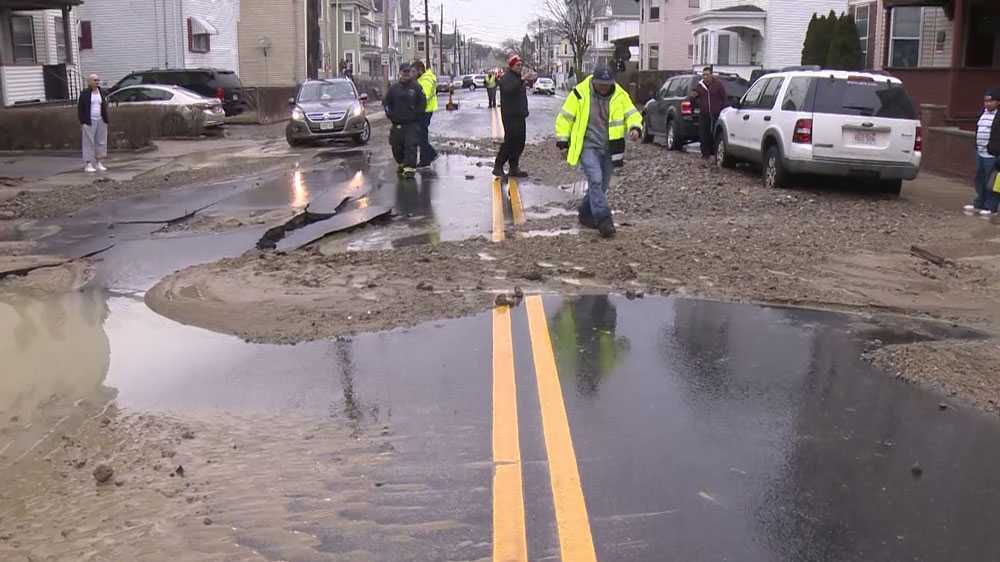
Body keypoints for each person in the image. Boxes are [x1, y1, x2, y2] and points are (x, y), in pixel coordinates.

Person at [554, 65, 642, 238]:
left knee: (602, 185)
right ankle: (603, 219)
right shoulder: (580, 93)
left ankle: (586, 212)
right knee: (595, 179)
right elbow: (565, 118)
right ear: (594, 80)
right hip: (588, 146)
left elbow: (632, 113)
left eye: (607, 84)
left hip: (611, 147)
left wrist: (635, 128)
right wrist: (563, 141)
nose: (604, 87)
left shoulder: (620, 94)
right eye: (601, 83)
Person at [493, 54, 535, 178]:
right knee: (510, 142)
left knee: (520, 143)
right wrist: (522, 80)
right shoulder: (507, 78)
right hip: (510, 116)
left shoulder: (517, 78)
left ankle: (514, 167)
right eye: (518, 65)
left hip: (520, 115)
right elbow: (509, 89)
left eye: (521, 65)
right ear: (511, 66)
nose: (520, 67)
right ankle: (498, 165)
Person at [383, 64, 426, 178]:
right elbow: (386, 103)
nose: (406, 74)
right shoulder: (393, 89)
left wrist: (417, 114)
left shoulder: (416, 87)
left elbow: (422, 103)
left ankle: (410, 169)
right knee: (396, 146)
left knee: (410, 146)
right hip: (397, 123)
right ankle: (402, 164)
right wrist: (390, 115)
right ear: (400, 72)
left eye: (408, 72)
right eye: (404, 72)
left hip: (411, 124)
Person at [967, 88, 1000, 217]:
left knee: (991, 181)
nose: (987, 103)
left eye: (990, 101)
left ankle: (991, 207)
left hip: (993, 154)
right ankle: (979, 203)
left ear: (998, 102)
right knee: (980, 179)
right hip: (980, 152)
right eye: (986, 101)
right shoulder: (983, 113)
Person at [689, 66, 727, 160]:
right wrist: (693, 98)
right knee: (703, 134)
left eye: (707, 75)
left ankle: (714, 152)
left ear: (711, 75)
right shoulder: (700, 85)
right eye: (704, 75)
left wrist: (722, 109)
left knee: (713, 134)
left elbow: (724, 98)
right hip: (704, 113)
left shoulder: (718, 84)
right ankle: (705, 154)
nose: (705, 77)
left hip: (715, 114)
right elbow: (693, 96)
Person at [77, 74, 109, 173]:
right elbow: (80, 109)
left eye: (98, 80)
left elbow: (104, 106)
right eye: (95, 80)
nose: (97, 82)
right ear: (90, 82)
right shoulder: (85, 94)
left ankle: (99, 162)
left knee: (100, 141)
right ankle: (88, 164)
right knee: (88, 142)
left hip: (100, 120)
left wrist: (105, 119)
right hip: (89, 120)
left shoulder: (101, 92)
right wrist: (83, 121)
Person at [412, 60, 439, 167]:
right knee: (421, 136)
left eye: (414, 72)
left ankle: (428, 157)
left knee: (421, 136)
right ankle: (428, 157)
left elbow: (424, 97)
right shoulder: (423, 78)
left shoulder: (426, 80)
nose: (412, 74)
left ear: (420, 70)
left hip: (425, 111)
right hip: (425, 110)